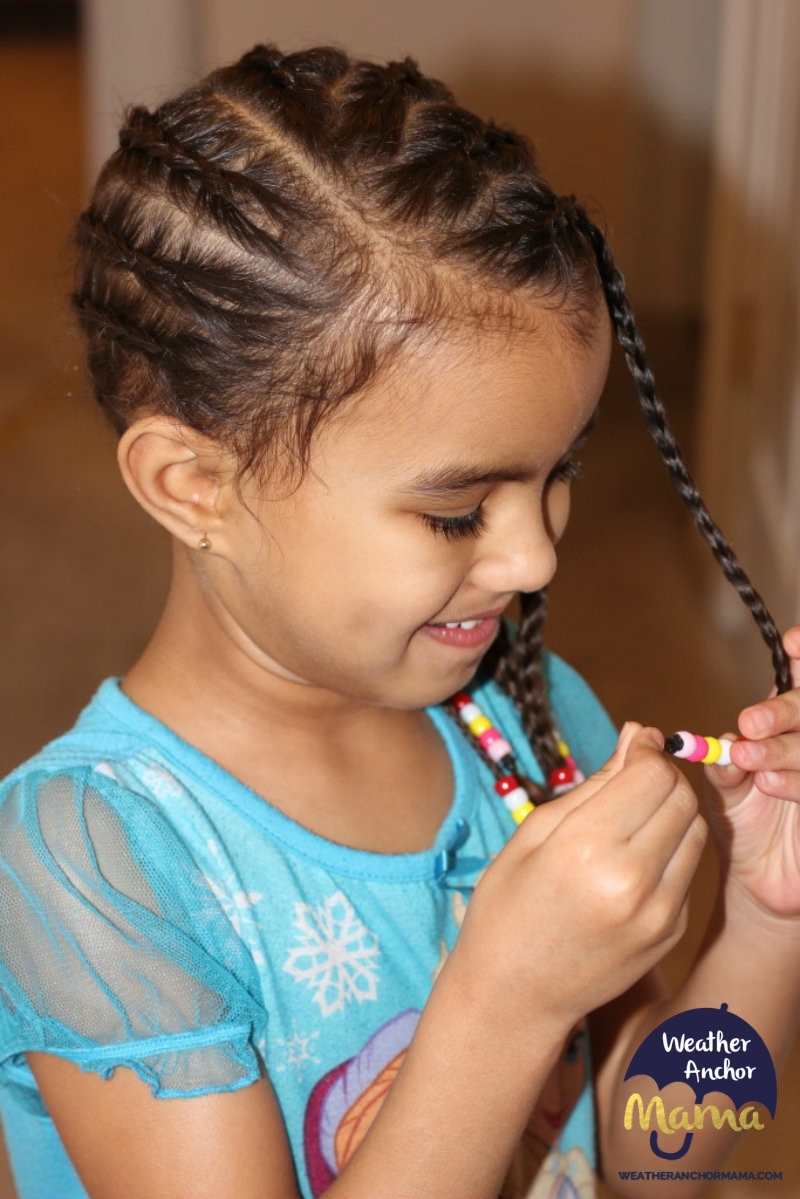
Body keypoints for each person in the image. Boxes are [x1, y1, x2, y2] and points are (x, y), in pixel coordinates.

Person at [0, 43, 798, 1199]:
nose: (534, 554)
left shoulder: (528, 714)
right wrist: (503, 996)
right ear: (193, 486)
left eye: (558, 471)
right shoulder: (90, 866)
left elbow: (654, 1157)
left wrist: (767, 926)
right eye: (457, 509)